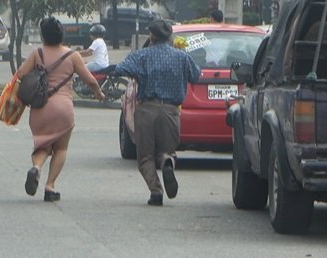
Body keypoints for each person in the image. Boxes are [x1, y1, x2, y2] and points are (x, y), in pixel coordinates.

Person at [16, 17, 105, 202]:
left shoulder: (36, 53)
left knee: (42, 145)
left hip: (40, 108)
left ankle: (37, 168)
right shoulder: (72, 55)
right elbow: (89, 80)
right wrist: (98, 93)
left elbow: (21, 75)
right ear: (62, 34)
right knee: (61, 148)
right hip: (63, 108)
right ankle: (50, 186)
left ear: (43, 36)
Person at [115, 19, 201, 206]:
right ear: (170, 36)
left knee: (145, 156)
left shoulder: (142, 56)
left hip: (146, 109)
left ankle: (156, 191)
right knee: (166, 150)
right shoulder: (182, 57)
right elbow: (196, 75)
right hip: (171, 111)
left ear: (152, 36)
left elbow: (120, 68)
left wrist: (137, 73)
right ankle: (167, 161)